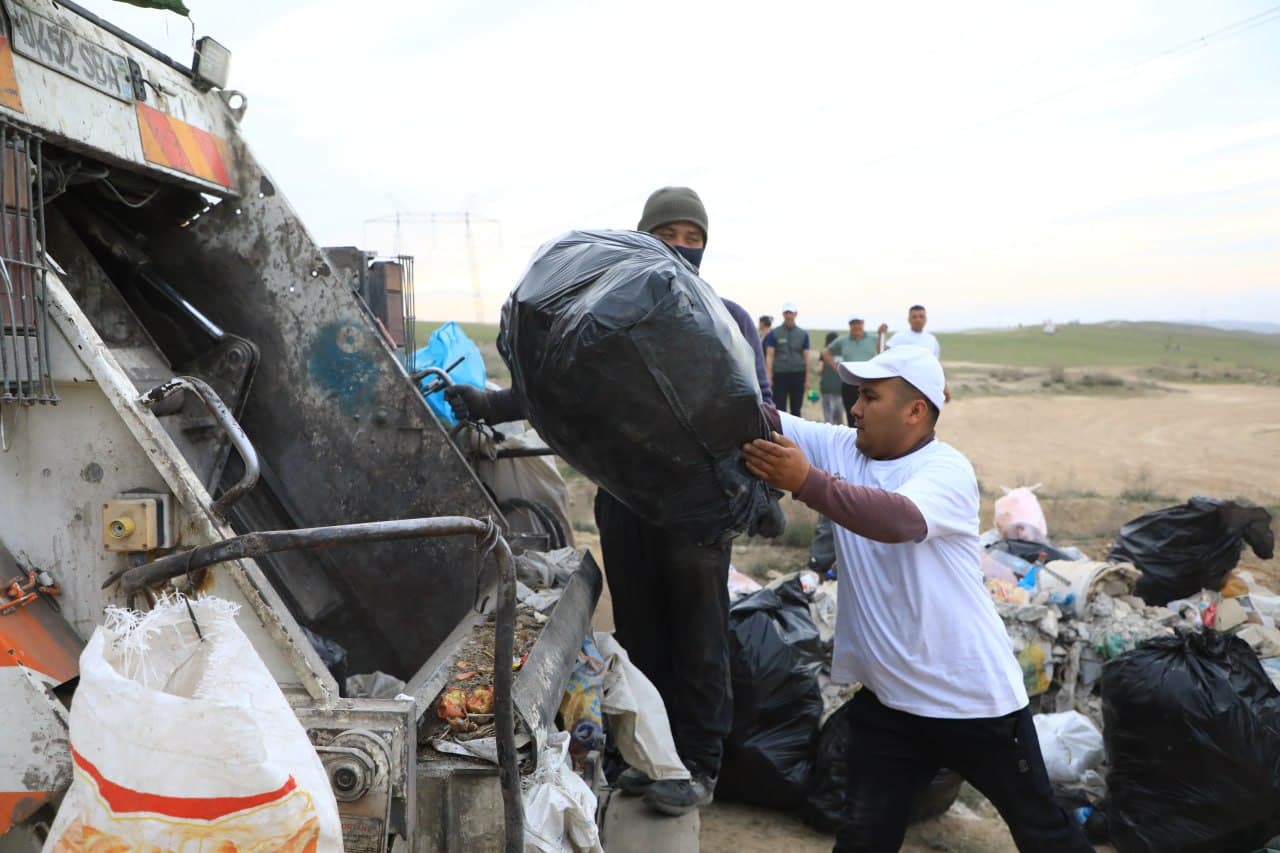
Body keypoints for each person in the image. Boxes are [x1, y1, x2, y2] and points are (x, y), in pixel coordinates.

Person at [446, 186, 779, 817]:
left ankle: (701, 762)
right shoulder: (602, 320)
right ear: (642, 240)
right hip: (626, 503)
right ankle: (644, 755)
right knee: (640, 633)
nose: (683, 247)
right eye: (670, 235)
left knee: (699, 635)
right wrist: (489, 404)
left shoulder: (724, 318)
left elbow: (759, 406)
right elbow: (549, 392)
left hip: (696, 513)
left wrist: (762, 482)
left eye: (694, 237)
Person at [740, 347, 1092, 853]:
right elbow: (765, 417)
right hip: (891, 705)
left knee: (1043, 833)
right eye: (857, 396)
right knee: (863, 838)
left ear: (915, 411)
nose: (855, 409)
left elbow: (897, 521)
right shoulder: (845, 447)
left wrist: (805, 483)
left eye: (870, 397)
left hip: (974, 704)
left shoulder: (945, 470)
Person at [823, 316, 879, 426]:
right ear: (850, 325)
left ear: (863, 324)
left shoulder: (874, 339)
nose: (856, 326)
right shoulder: (843, 341)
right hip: (850, 383)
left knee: (870, 415)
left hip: (869, 383)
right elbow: (826, 352)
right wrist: (836, 367)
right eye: (853, 324)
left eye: (859, 323)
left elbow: (884, 351)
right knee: (852, 415)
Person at [763, 301, 809, 416]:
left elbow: (806, 357)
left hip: (798, 374)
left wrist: (807, 379)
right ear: (783, 314)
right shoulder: (774, 333)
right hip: (780, 375)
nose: (789, 315)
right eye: (787, 313)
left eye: (791, 313)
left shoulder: (803, 334)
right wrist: (769, 376)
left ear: (795, 314)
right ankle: (780, 433)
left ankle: (795, 433)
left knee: (796, 409)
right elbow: (770, 356)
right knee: (779, 409)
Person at [817, 331, 844, 425]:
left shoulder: (824, 352)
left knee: (828, 413)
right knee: (839, 412)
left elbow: (820, 369)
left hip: (826, 387)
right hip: (840, 387)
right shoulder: (842, 353)